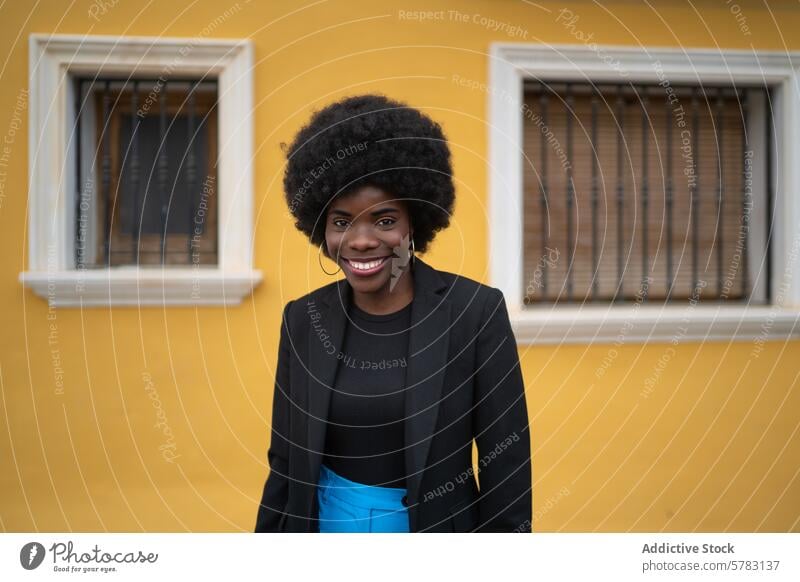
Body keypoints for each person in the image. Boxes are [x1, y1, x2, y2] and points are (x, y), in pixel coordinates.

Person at [254, 94, 531, 533]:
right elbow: (285, 463)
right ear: (320, 229)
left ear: (414, 225)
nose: (361, 241)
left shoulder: (474, 313)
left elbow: (506, 465)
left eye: (384, 220)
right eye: (342, 222)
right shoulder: (303, 320)